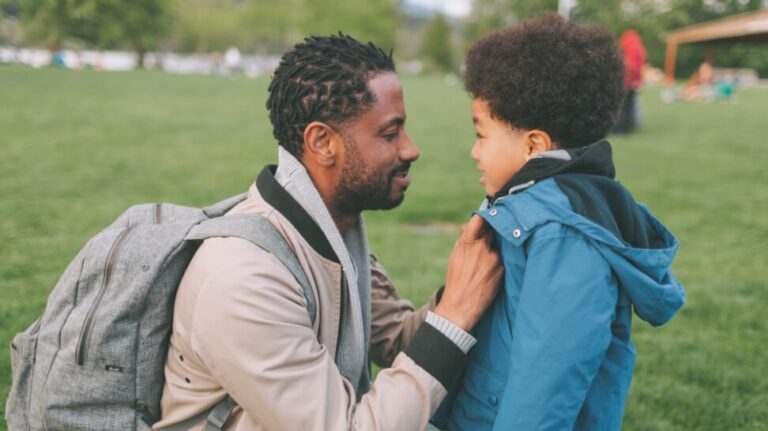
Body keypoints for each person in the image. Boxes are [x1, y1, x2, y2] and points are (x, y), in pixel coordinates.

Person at [153, 34, 503, 430]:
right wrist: (454, 315)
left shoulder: (329, 231)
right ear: (322, 142)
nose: (411, 150)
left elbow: (399, 341)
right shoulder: (244, 278)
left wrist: (462, 290)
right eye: (390, 134)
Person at [431, 14, 685, 430]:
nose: (474, 152)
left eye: (481, 135)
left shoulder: (564, 236)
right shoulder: (531, 206)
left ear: (534, 145)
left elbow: (545, 386)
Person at [613, 29, 646, 133]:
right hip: (634, 82)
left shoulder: (629, 48)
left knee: (624, 107)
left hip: (627, 82)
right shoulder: (639, 48)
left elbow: (630, 67)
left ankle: (622, 129)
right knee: (630, 105)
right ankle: (630, 125)